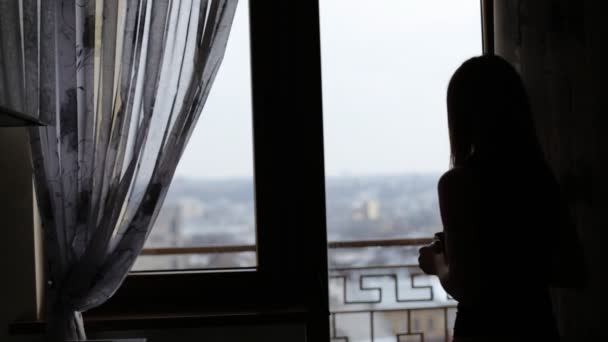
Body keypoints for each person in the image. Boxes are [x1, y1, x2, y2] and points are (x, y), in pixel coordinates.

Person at [418, 55, 584, 341]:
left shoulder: (458, 182)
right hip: (537, 326)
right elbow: (573, 270)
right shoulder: (537, 176)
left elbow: (465, 288)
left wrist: (437, 263)